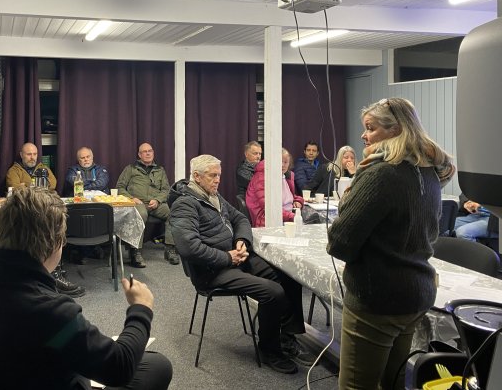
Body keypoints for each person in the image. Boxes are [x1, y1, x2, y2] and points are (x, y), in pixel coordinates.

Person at [0, 185, 173, 390]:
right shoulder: (50, 311)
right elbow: (120, 369)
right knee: (159, 367)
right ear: (54, 242)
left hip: (9, 377)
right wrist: (141, 309)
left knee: (152, 363)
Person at [327, 97, 455, 390]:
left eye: (370, 128)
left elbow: (339, 243)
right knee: (394, 380)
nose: (363, 135)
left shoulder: (379, 173)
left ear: (395, 129)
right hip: (416, 294)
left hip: (378, 298)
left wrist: (350, 195)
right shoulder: (429, 172)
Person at [169, 155, 313, 374]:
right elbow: (188, 248)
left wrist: (241, 241)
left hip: (235, 258)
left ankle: (285, 337)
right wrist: (228, 257)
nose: (218, 180)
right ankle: (269, 350)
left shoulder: (213, 196)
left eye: (219, 174)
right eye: (212, 175)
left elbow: (241, 219)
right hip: (211, 270)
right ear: (197, 177)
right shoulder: (185, 204)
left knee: (289, 276)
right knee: (272, 292)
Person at [116, 143, 178, 267]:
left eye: (150, 151)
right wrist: (132, 198)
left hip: (156, 203)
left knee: (173, 214)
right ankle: (135, 252)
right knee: (140, 214)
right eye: (144, 151)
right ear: (139, 155)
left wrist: (158, 200)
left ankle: (170, 249)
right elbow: (120, 187)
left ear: (153, 153)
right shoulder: (131, 168)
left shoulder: (160, 170)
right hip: (138, 202)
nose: (148, 153)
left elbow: (166, 190)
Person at [245, 148, 304, 228]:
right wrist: (292, 216)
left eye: (286, 162)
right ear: (272, 161)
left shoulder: (285, 175)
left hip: (287, 215)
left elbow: (290, 195)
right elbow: (269, 208)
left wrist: (298, 201)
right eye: (280, 161)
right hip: (266, 218)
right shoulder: (262, 177)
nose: (283, 165)